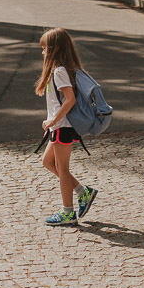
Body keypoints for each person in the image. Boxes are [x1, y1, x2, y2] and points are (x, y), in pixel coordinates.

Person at [37, 27, 99, 226]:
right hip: (59, 126)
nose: (42, 52)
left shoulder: (59, 71)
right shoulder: (59, 70)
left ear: (54, 49)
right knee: (48, 162)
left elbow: (70, 100)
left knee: (62, 169)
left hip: (62, 126)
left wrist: (52, 121)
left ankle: (67, 212)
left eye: (45, 48)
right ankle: (83, 192)